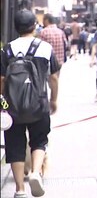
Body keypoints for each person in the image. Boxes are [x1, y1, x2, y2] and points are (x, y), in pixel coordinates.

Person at [0, 10, 60, 198]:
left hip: (12, 106)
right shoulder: (45, 48)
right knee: (40, 140)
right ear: (34, 26)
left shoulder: (6, 50)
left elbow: (1, 79)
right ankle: (35, 172)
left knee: (14, 145)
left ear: (15, 27)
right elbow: (53, 78)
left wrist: (3, 103)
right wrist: (53, 100)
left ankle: (19, 190)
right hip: (39, 103)